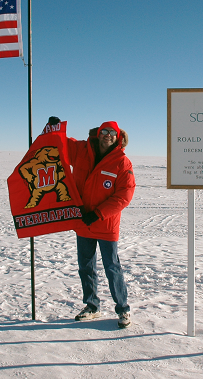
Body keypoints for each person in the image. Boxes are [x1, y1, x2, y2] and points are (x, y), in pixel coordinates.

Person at [48, 116, 136, 328]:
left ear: (118, 138)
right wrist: (54, 129)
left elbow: (125, 194)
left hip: (105, 224)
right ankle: (92, 306)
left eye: (112, 134)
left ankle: (123, 309)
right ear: (99, 134)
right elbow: (61, 146)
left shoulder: (122, 162)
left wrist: (98, 214)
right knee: (86, 267)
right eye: (105, 132)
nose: (108, 136)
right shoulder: (82, 150)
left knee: (112, 267)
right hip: (83, 222)